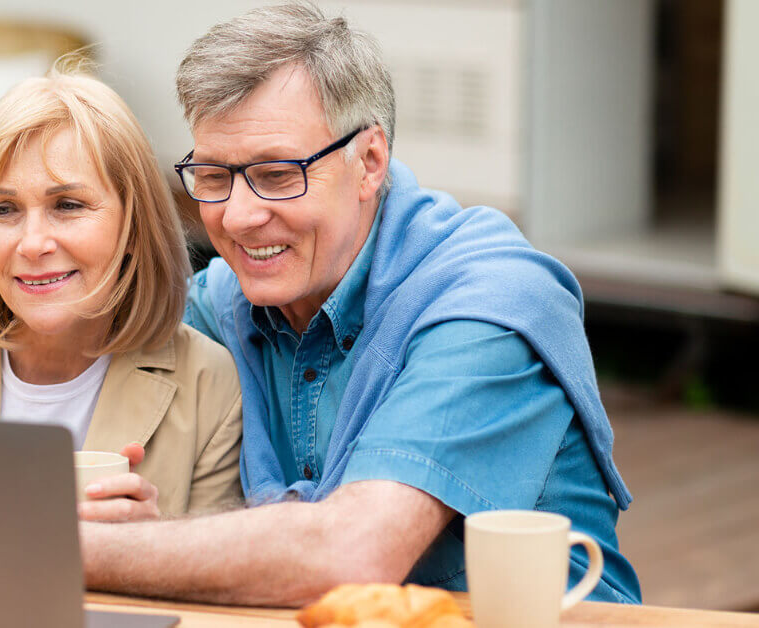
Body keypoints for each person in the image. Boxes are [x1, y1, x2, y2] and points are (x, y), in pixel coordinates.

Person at [80, 3, 641, 605]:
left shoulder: (491, 303)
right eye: (214, 176)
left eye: (276, 174)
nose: (239, 217)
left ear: (368, 163)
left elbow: (352, 553)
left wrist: (83, 547)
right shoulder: (223, 306)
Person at [0, 70, 243, 520]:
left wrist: (156, 545)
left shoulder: (210, 385)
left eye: (68, 205)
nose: (33, 243)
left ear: (134, 226)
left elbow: (206, 583)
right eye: (3, 209)